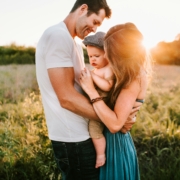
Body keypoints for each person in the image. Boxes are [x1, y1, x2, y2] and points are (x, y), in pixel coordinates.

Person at [35, 0, 137, 179]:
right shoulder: (57, 36)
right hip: (73, 139)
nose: (95, 29)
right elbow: (66, 97)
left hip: (82, 134)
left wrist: (118, 116)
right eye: (95, 22)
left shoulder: (73, 42)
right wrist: (114, 120)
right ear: (83, 9)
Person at [80, 22, 152, 180]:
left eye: (110, 52)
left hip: (116, 145)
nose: (107, 57)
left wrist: (91, 91)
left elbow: (114, 125)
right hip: (110, 142)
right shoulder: (123, 73)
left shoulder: (134, 76)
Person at [82, 31, 115, 168]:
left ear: (107, 55)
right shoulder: (97, 70)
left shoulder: (108, 69)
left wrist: (92, 76)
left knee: (94, 130)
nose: (93, 60)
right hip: (94, 105)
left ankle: (101, 154)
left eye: (97, 56)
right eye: (90, 56)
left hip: (102, 107)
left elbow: (107, 86)